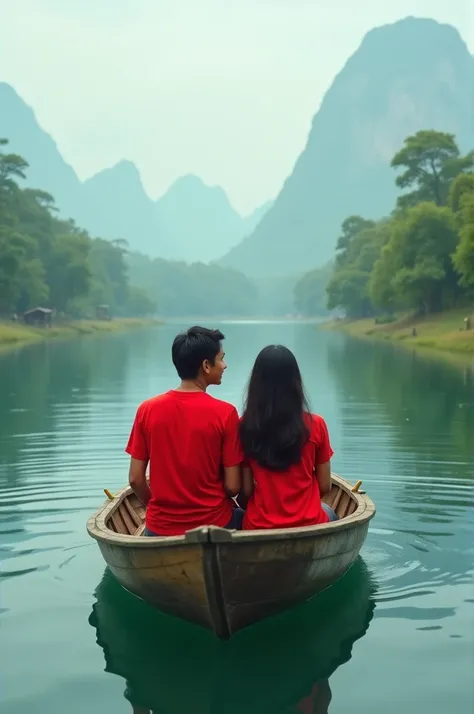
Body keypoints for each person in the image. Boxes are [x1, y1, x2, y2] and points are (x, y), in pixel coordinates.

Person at [125, 326, 244, 536]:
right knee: (250, 517)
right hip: (216, 524)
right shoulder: (225, 413)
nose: (225, 365)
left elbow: (136, 479)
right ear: (206, 365)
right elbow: (233, 487)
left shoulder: (147, 410)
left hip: (160, 527)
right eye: (221, 358)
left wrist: (156, 508)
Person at [239, 344, 338, 530]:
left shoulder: (244, 426)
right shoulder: (316, 425)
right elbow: (325, 486)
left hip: (259, 526)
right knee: (330, 512)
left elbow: (246, 491)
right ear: (295, 382)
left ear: (256, 383)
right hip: (309, 524)